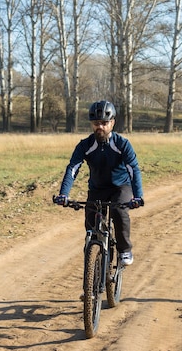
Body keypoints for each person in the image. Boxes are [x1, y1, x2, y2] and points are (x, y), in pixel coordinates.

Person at [54, 100, 144, 266]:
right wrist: (63, 194)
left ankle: (124, 250)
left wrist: (138, 196)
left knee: (119, 212)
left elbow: (133, 169)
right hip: (97, 189)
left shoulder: (122, 144)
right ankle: (95, 271)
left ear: (112, 123)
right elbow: (73, 168)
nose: (100, 127)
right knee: (91, 226)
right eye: (96, 123)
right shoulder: (85, 145)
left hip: (120, 187)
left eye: (104, 123)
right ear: (92, 124)